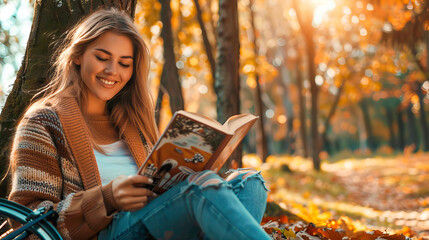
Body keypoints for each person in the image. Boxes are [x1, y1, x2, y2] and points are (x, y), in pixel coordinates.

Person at [8, 7, 270, 240]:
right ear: (78, 56)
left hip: (154, 225)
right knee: (199, 189)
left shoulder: (133, 123)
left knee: (250, 182)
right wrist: (108, 198)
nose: (113, 71)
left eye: (125, 63)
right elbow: (29, 222)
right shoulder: (43, 122)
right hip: (105, 234)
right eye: (102, 57)